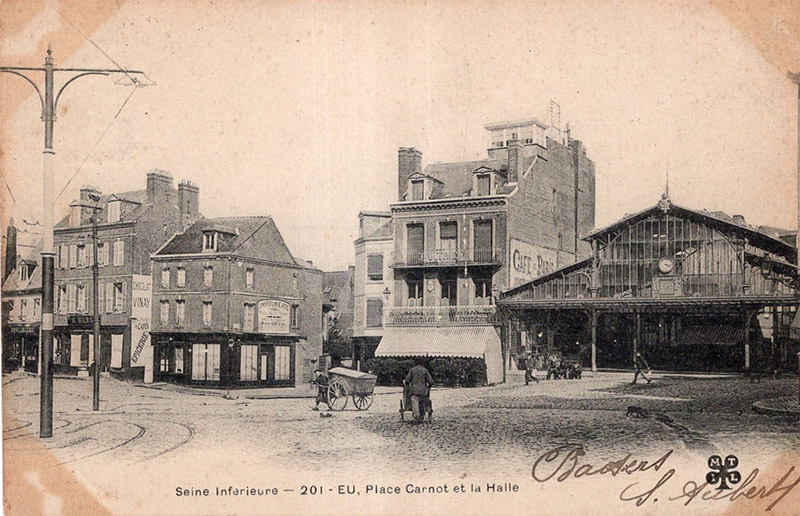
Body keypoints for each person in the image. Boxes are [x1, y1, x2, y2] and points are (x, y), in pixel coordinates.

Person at [405, 359, 434, 424]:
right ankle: (427, 412)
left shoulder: (412, 370)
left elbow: (407, 381)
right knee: (424, 402)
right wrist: (427, 388)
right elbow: (431, 382)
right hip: (424, 392)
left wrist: (409, 388)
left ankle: (416, 416)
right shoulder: (425, 371)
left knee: (414, 401)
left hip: (414, 391)